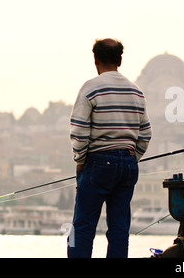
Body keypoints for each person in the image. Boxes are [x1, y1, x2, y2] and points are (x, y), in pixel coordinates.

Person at [68, 38, 152, 258]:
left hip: (97, 164)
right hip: (127, 165)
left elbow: (79, 130)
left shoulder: (91, 88)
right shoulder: (136, 92)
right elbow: (146, 133)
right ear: (120, 61)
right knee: (119, 229)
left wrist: (80, 160)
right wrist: (132, 158)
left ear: (95, 60)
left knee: (82, 228)